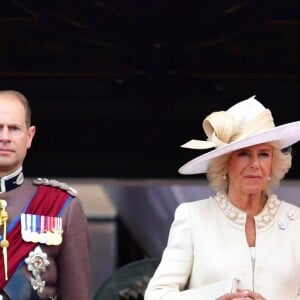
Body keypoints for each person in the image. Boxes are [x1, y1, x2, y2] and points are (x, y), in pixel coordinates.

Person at [144, 95, 300, 300]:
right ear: (225, 163)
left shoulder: (297, 221)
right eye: (243, 153)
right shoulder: (192, 217)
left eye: (263, 154)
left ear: (273, 162)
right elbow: (156, 295)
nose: (255, 164)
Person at [0, 90, 91, 299]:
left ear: (29, 136)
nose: (4, 137)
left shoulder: (59, 205)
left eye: (14, 128)